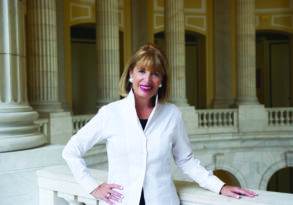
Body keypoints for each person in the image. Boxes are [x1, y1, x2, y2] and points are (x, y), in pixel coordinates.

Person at [62, 43, 257, 205]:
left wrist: (219, 186)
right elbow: (71, 150)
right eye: (141, 71)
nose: (147, 79)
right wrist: (92, 186)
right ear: (131, 74)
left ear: (162, 80)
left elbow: (186, 160)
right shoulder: (111, 113)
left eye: (155, 73)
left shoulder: (172, 114)